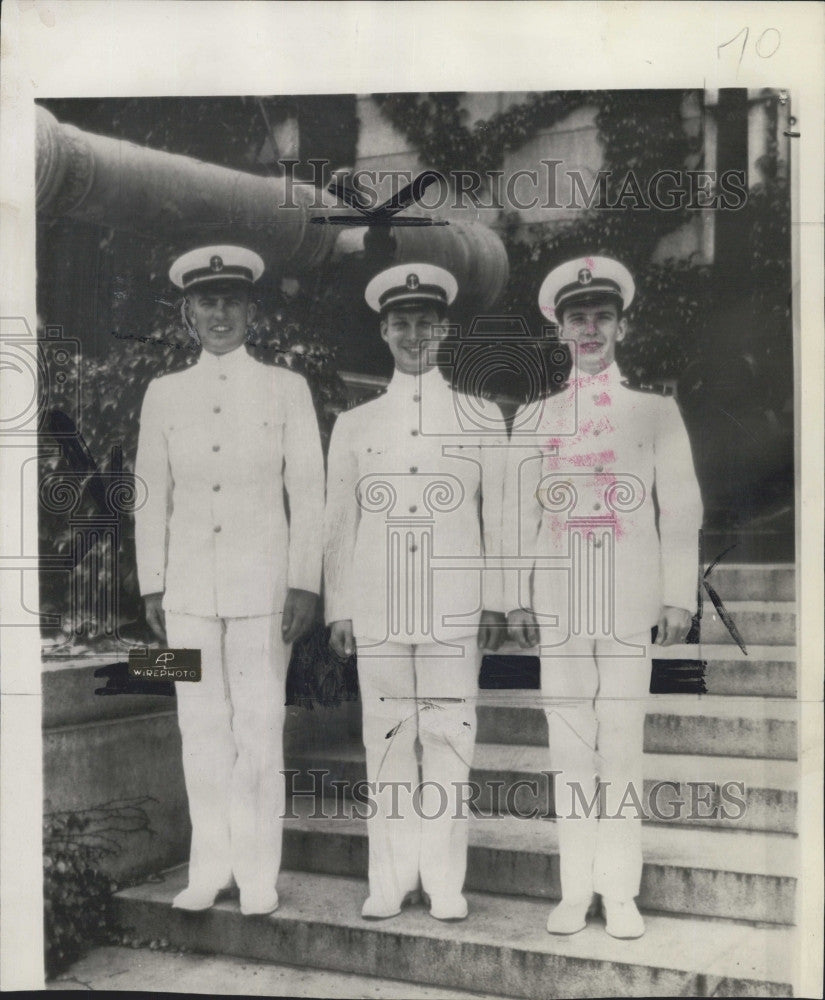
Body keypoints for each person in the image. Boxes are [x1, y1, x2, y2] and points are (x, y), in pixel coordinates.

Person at [504, 256, 703, 939]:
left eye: (600, 316)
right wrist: (515, 598)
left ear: (620, 324)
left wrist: (678, 596)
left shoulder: (653, 411)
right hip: (558, 599)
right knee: (568, 744)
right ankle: (573, 889)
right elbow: (515, 515)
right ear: (558, 331)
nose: (589, 329)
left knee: (619, 743)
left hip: (625, 599)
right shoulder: (534, 417)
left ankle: (619, 892)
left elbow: (678, 510)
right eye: (576, 318)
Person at [134, 245, 324, 915]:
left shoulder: (285, 388)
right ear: (188, 314)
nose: (219, 313)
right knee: (199, 727)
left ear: (252, 311)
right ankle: (208, 867)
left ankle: (256, 873)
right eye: (206, 302)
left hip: (262, 594)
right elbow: (151, 494)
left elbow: (309, 491)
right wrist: (152, 587)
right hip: (185, 594)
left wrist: (304, 583)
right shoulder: (164, 393)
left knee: (258, 725)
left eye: (231, 301)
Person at [324, 263, 507, 922]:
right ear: (383, 329)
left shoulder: (481, 415)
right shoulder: (355, 424)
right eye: (400, 323)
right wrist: (338, 605)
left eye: (424, 322)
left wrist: (495, 597)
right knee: (387, 738)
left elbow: (500, 514)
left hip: (453, 603)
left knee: (449, 736)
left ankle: (443, 880)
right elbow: (339, 523)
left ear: (444, 328)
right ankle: (391, 878)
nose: (412, 333)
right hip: (376, 601)